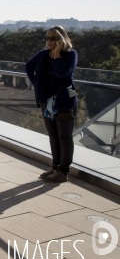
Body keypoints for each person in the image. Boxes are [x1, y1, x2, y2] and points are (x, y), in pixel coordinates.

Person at [25, 26, 78, 183]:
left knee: (64, 137)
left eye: (53, 38)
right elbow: (28, 66)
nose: (49, 41)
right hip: (46, 103)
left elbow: (62, 72)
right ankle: (55, 167)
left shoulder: (70, 55)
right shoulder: (42, 54)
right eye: (47, 38)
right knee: (53, 136)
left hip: (64, 102)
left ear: (62, 40)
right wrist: (37, 85)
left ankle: (63, 171)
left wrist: (56, 56)